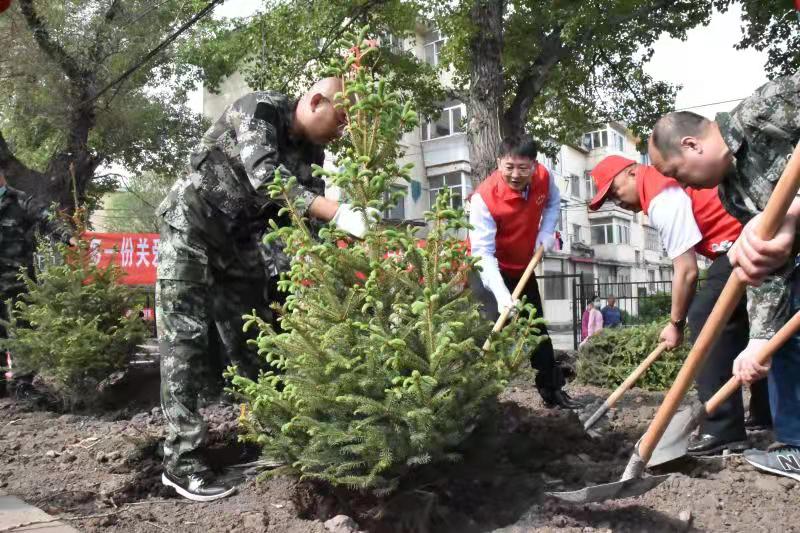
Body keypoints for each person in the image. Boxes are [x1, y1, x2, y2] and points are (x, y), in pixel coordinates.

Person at [156, 78, 378, 501]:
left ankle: (268, 437)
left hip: (239, 245)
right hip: (191, 230)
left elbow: (302, 220)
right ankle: (181, 462)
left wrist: (327, 265)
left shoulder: (313, 152)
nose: (344, 129)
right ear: (316, 102)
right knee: (184, 342)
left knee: (254, 337)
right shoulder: (258, 110)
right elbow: (267, 179)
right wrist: (340, 214)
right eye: (342, 117)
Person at [648, 69, 800, 479]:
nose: (687, 187)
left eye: (678, 173)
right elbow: (773, 267)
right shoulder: (731, 194)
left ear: (691, 144)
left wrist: (792, 211)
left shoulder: (765, 107)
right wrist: (758, 340)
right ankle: (797, 445)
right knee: (785, 336)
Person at [589, 155, 771, 455]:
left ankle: (722, 429)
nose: (614, 201)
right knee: (752, 324)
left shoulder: (662, 197)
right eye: (607, 198)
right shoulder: (665, 192)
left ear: (633, 173)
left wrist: (676, 324)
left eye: (614, 190)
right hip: (748, 238)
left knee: (706, 316)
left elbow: (686, 271)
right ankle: (765, 413)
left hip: (748, 239)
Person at [468, 136, 579, 409]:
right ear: (499, 163)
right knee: (489, 331)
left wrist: (546, 230)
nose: (516, 175)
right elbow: (483, 254)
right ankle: (476, 399)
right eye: (509, 167)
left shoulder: (544, 176)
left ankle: (552, 391)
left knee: (537, 328)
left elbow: (553, 202)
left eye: (523, 168)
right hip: (489, 271)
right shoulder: (484, 198)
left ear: (534, 165)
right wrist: (504, 297)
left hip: (523, 267)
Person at [0, 169, 75, 396]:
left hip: (16, 279)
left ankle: (23, 383)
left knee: (21, 330)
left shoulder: (20, 200)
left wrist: (68, 236)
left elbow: (47, 218)